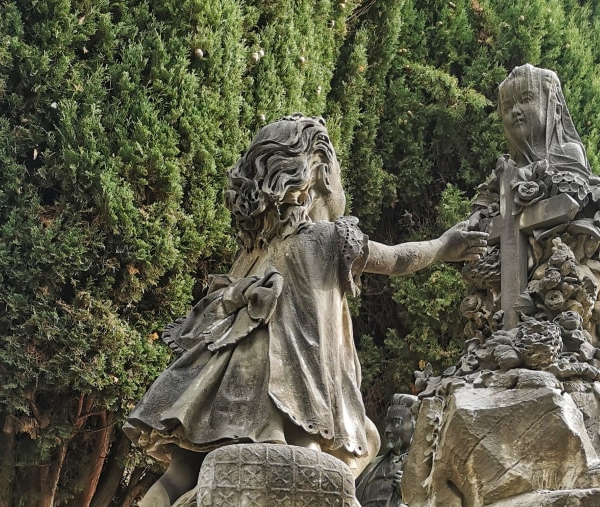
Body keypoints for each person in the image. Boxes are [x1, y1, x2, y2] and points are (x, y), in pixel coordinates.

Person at [123, 114, 488, 506]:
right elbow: (397, 259)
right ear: (326, 175)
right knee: (307, 454)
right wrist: (445, 246)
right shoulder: (328, 239)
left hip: (224, 394)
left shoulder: (251, 255)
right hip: (292, 395)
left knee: (179, 473)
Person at [497, 64, 590, 177]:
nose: (515, 110)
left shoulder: (568, 154)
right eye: (507, 107)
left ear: (555, 109)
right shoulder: (506, 171)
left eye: (526, 99)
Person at [355, 394, 419, 507]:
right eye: (387, 423)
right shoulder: (370, 466)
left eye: (396, 423)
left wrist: (410, 495)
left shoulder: (425, 470)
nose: (387, 430)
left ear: (416, 425)